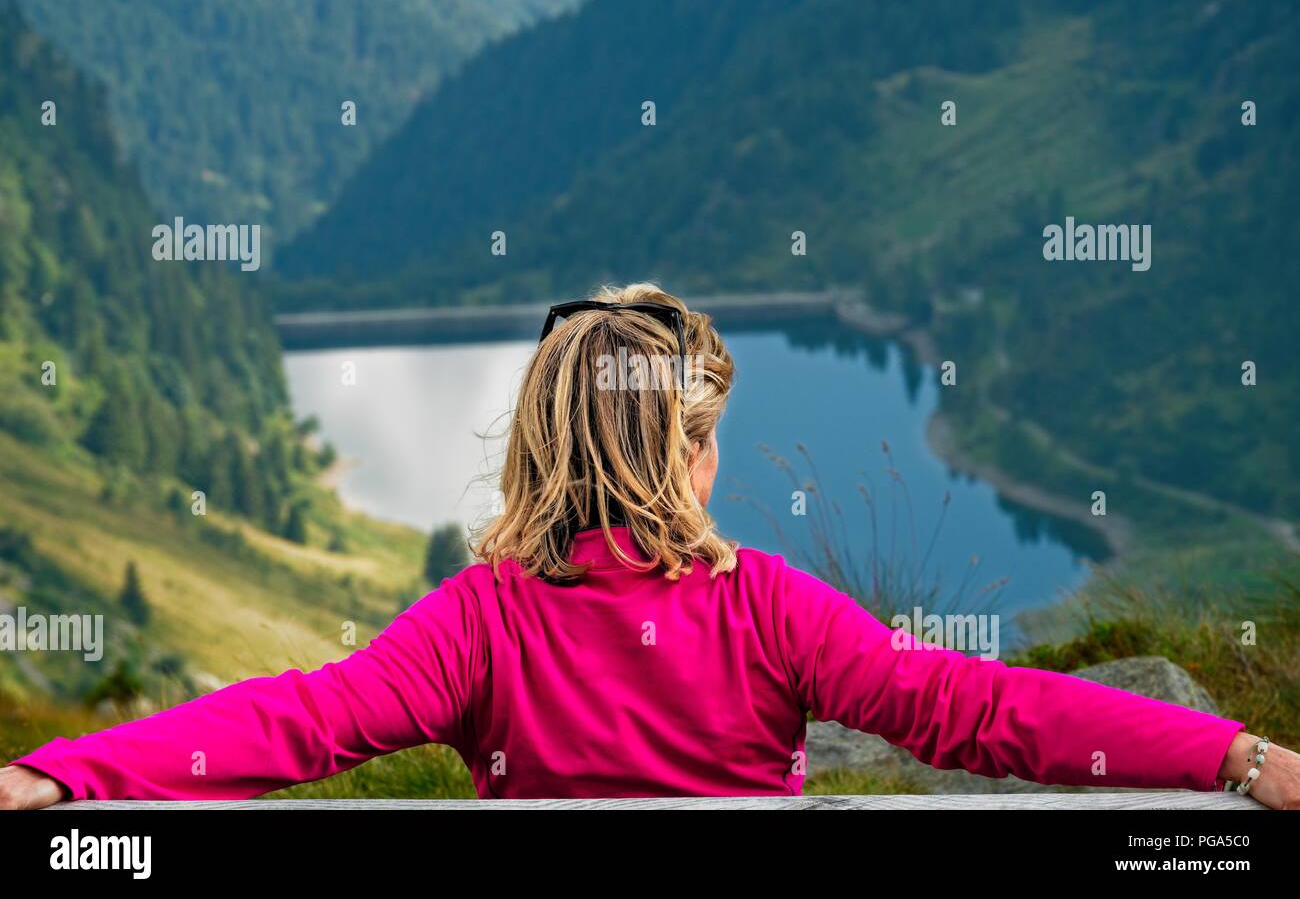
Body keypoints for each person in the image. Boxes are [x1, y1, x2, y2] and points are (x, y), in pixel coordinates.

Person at [1, 284, 1295, 808]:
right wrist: (1233, 752)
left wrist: (62, 776)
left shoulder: (483, 623)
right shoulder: (771, 610)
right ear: (678, 453)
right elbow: (979, 710)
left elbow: (294, 721)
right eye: (706, 434)